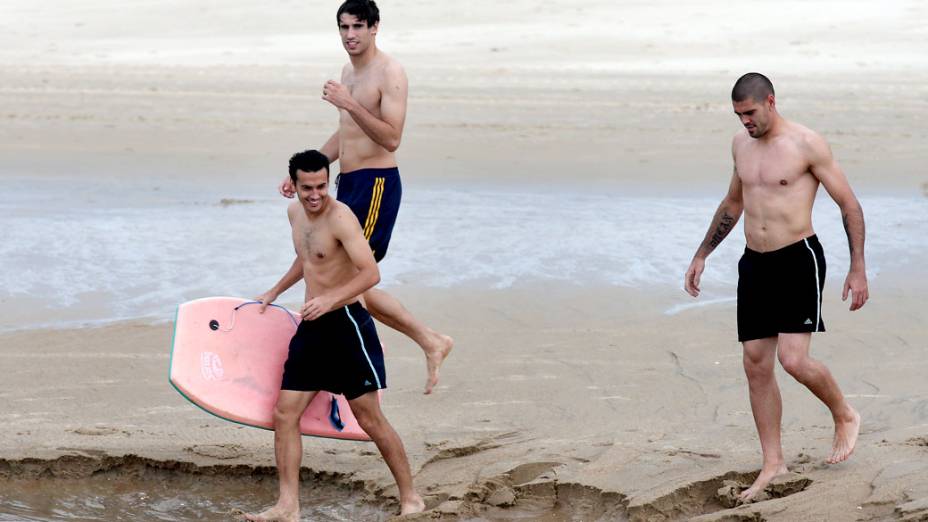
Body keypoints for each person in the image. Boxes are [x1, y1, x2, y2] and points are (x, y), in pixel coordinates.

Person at [683, 73, 868, 502]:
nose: (745, 122)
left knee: (793, 360)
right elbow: (734, 201)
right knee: (754, 362)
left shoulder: (806, 144)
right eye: (738, 115)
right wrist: (701, 254)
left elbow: (849, 204)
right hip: (755, 263)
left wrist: (857, 267)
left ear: (770, 101)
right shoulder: (740, 145)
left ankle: (844, 413)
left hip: (796, 259)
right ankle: (773, 462)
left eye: (749, 113)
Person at [278, 0, 452, 394]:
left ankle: (422, 342)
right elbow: (348, 132)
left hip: (376, 185)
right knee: (343, 280)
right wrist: (311, 169)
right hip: (347, 183)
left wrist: (349, 102)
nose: (350, 35)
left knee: (354, 280)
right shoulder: (347, 72)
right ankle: (424, 341)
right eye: (344, 27)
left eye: (358, 26)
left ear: (375, 28)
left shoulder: (390, 72)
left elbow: (391, 137)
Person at [246, 150, 425, 520]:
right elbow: (309, 257)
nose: (315, 195)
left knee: (369, 419)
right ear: (292, 184)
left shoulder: (341, 218)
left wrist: (328, 300)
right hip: (313, 327)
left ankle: (411, 498)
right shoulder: (294, 213)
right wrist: (275, 291)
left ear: (329, 181)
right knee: (285, 413)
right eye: (307, 187)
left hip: (346, 325)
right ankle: (287, 506)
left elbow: (370, 274)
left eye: (322, 186)